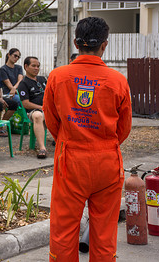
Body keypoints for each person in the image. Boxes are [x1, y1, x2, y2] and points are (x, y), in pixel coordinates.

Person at [43, 17, 132, 262]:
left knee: (64, 229)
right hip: (107, 161)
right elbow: (123, 128)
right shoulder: (117, 80)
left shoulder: (58, 76)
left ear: (75, 43)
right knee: (104, 231)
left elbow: (51, 120)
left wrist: (67, 138)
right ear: (104, 45)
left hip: (70, 157)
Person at [17, 56, 47, 158]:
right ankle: (42, 148)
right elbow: (25, 104)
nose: (36, 68)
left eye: (38, 66)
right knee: (38, 115)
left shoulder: (43, 79)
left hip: (47, 109)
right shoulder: (23, 83)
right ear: (26, 66)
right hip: (33, 111)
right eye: (33, 66)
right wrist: (41, 107)